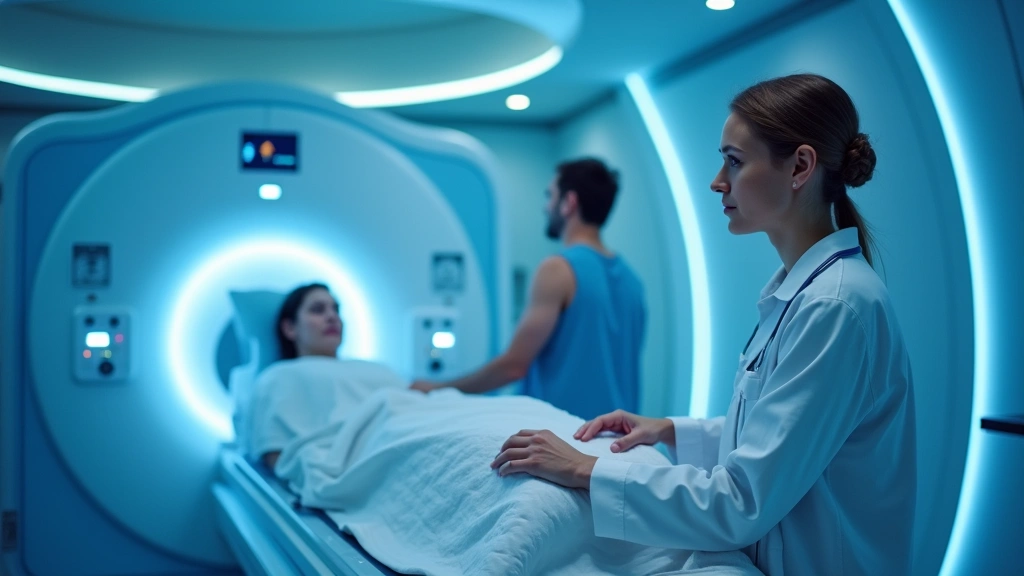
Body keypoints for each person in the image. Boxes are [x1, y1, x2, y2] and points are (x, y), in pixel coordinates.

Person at [489, 74, 917, 576]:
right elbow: (783, 442)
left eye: (734, 162)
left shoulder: (836, 307)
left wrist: (585, 468)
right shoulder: (803, 293)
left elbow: (743, 501)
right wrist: (671, 430)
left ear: (800, 166)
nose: (718, 181)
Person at [411, 158, 646, 421]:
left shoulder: (558, 269)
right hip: (617, 440)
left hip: (565, 438)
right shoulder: (632, 281)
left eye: (550, 196)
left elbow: (513, 367)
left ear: (569, 203)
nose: (546, 207)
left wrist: (436, 390)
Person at [247, 283, 406, 469]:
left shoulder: (374, 367)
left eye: (336, 309)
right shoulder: (280, 377)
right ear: (290, 328)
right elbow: (279, 457)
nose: (332, 317)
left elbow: (414, 391)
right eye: (318, 310)